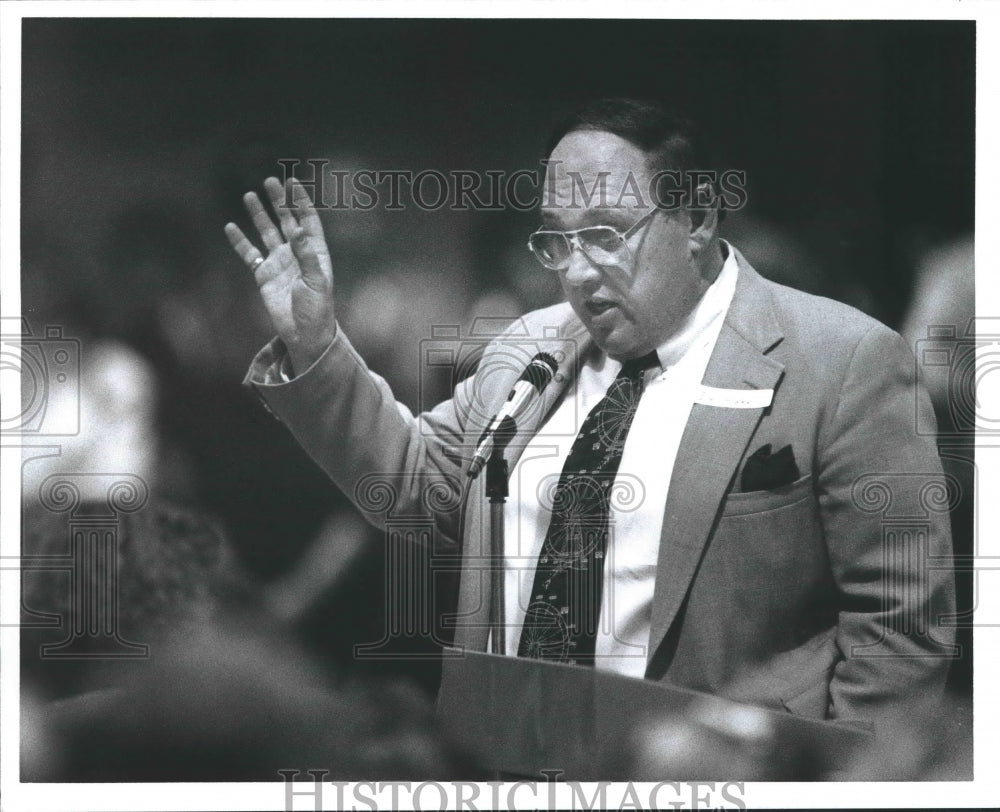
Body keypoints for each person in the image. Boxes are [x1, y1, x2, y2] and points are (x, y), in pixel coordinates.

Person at [227, 99, 955, 754]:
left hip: (711, 771)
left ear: (697, 218)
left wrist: (849, 782)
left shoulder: (845, 361)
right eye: (557, 242)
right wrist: (318, 348)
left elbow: (897, 629)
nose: (576, 272)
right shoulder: (528, 347)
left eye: (605, 234)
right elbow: (416, 485)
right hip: (504, 756)